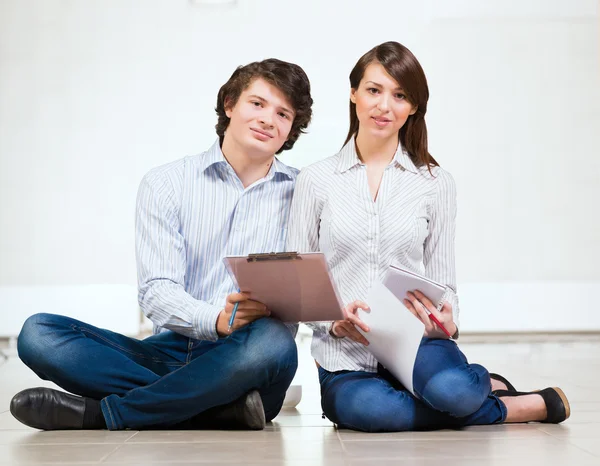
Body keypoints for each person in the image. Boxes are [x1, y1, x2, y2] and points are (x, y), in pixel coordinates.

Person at [10, 58, 313, 431]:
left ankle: (106, 414)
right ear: (230, 104)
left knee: (274, 340)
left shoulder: (306, 192)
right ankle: (216, 409)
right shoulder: (167, 183)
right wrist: (216, 319)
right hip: (166, 352)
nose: (269, 119)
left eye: (283, 114)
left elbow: (310, 287)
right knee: (39, 334)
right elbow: (156, 292)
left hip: (247, 357)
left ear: (290, 130)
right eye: (257, 104)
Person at [287, 41, 569, 432]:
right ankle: (505, 405)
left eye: (400, 95)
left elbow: (444, 283)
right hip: (345, 354)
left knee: (455, 391)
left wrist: (448, 321)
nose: (385, 106)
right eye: (374, 90)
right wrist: (333, 321)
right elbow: (300, 286)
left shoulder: (435, 184)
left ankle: (469, 391)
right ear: (353, 94)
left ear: (414, 106)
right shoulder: (315, 181)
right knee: (373, 412)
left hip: (417, 344)